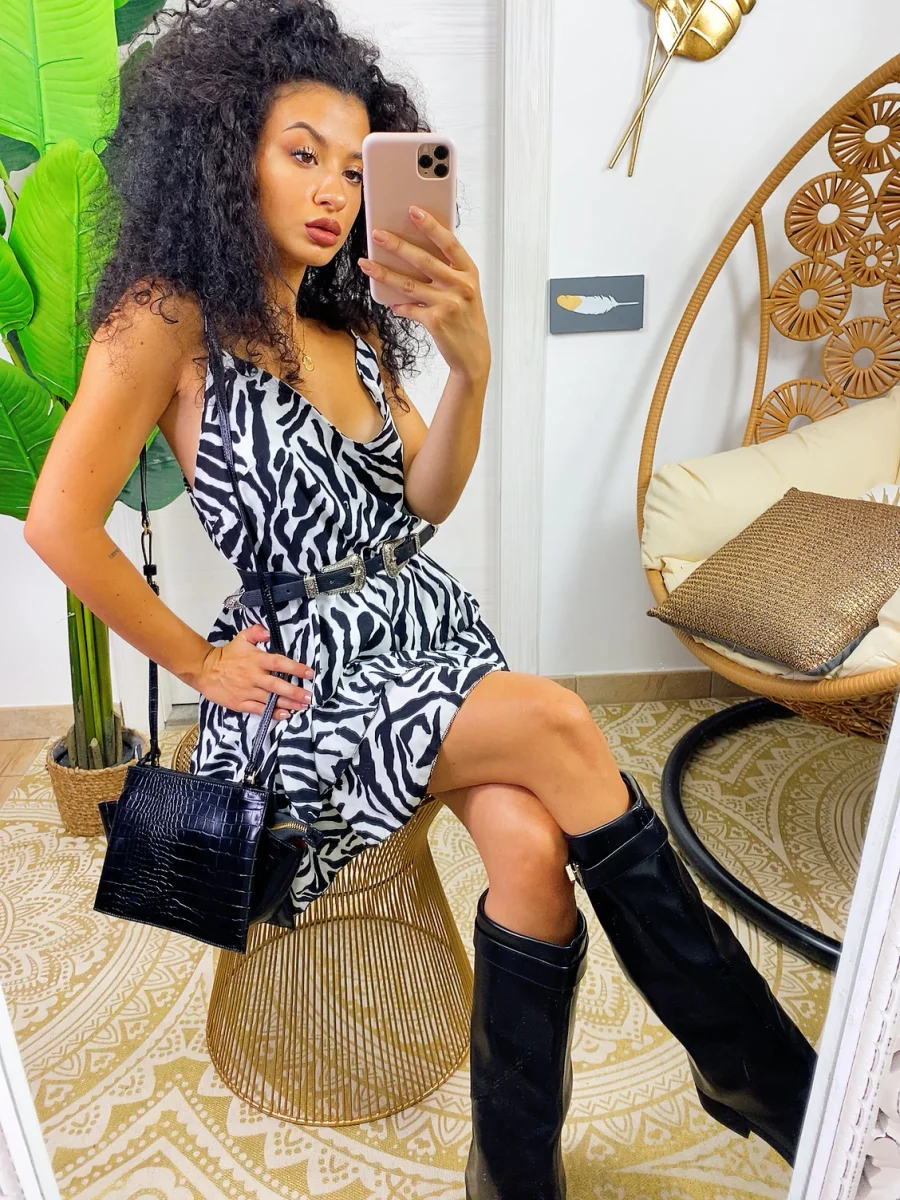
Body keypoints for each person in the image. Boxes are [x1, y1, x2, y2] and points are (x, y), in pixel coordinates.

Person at [23, 1, 816, 1195]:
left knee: (531, 851)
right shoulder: (167, 318)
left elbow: (423, 501)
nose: (334, 192)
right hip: (305, 684)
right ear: (228, 150)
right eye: (302, 153)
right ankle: (758, 1071)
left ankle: (511, 1169)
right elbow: (57, 522)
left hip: (420, 628)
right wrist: (197, 661)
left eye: (356, 168)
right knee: (561, 720)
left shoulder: (350, 320)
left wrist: (473, 369)